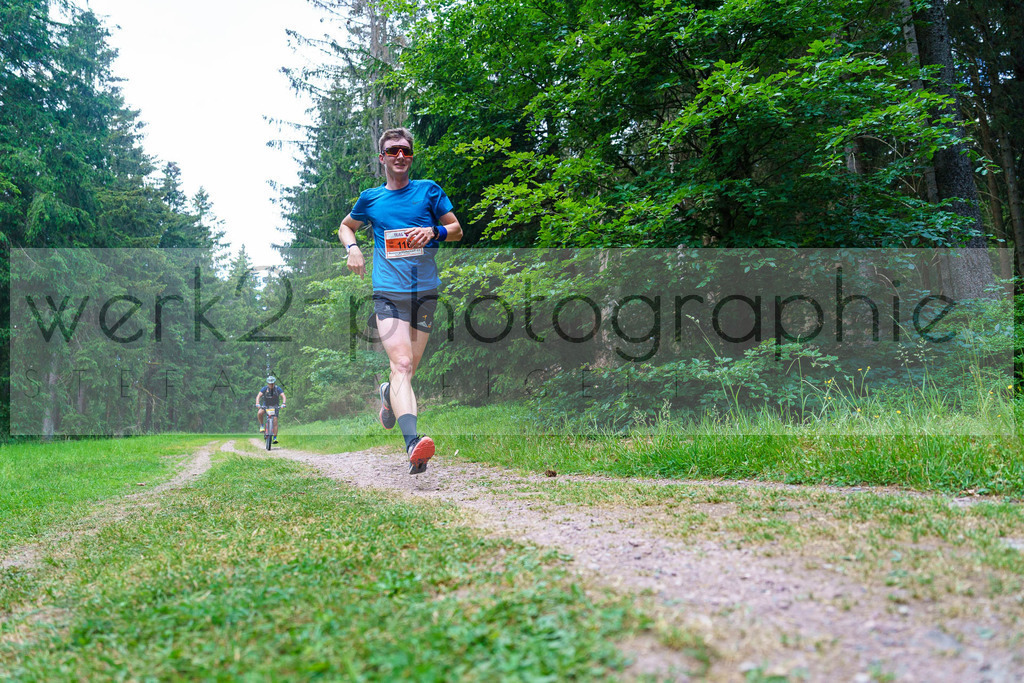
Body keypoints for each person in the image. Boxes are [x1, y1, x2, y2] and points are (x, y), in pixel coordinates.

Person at [338, 127, 462, 474]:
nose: (400, 156)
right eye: (393, 151)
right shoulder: (371, 199)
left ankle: (388, 396)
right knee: (402, 365)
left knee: (408, 371)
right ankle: (413, 445)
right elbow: (346, 226)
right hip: (389, 292)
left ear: (411, 156)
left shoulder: (428, 191)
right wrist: (353, 248)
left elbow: (457, 230)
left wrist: (434, 231)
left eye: (405, 150)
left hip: (425, 292)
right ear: (383, 158)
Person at [256, 376, 286, 443]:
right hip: (266, 405)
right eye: (270, 384)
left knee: (275, 420)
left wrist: (283, 403)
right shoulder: (265, 388)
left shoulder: (277, 389)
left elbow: (283, 396)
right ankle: (262, 425)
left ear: (274, 383)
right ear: (268, 383)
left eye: (272, 384)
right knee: (260, 413)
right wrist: (257, 403)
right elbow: (258, 396)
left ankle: (275, 437)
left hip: (275, 406)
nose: (271, 385)